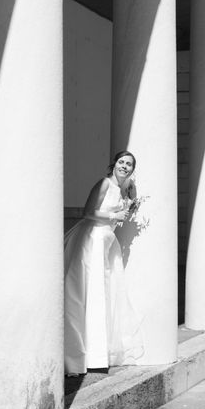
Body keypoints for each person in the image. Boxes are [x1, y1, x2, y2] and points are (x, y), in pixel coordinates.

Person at [64, 151, 144, 375]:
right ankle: (79, 355)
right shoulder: (104, 184)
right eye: (121, 162)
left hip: (107, 242)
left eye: (129, 164)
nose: (125, 166)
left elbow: (127, 207)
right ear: (114, 164)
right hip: (94, 240)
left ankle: (98, 353)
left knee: (105, 294)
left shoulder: (122, 190)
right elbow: (87, 212)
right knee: (87, 292)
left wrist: (130, 204)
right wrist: (113, 217)